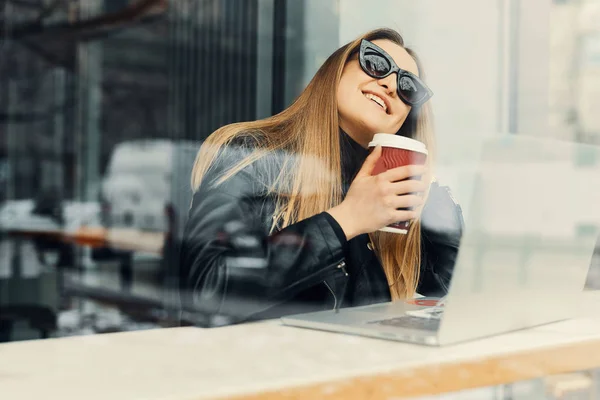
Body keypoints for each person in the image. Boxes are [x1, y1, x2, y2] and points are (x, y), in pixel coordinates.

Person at [180, 28, 463, 326]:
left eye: (409, 87)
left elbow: (452, 298)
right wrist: (345, 221)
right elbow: (203, 291)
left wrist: (430, 188)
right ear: (337, 69)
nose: (391, 84)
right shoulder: (250, 154)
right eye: (376, 62)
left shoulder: (388, 197)